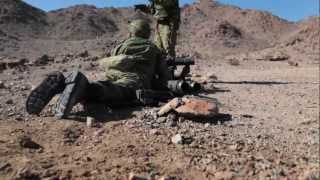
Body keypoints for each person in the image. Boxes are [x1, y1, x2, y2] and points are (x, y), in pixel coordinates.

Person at [26, 19, 170, 119]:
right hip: (132, 84)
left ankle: (61, 84)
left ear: (132, 32)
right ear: (147, 33)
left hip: (114, 79)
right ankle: (82, 87)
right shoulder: (153, 49)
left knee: (105, 86)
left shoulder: (121, 46)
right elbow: (164, 76)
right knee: (109, 93)